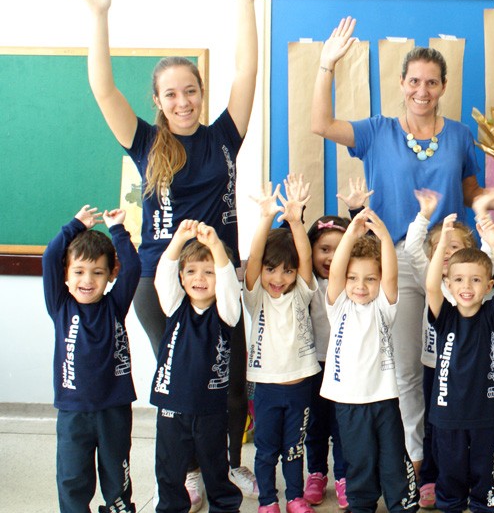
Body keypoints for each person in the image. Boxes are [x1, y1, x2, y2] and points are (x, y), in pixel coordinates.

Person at [70, 0, 273, 504]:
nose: (183, 102)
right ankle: (189, 471)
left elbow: (247, 73)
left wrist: (245, 3)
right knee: (182, 382)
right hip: (161, 281)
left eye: (191, 91)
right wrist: (99, 15)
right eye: (171, 94)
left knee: (230, 381)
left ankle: (226, 467)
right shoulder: (146, 143)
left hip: (219, 276)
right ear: (158, 101)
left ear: (201, 94)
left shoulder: (223, 137)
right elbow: (103, 89)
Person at [312, 19, 494, 477]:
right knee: (405, 368)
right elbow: (320, 124)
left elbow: (472, 191)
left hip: (453, 263)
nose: (422, 90)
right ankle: (415, 460)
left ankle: (448, 458)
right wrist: (326, 65)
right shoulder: (376, 130)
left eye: (431, 82)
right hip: (394, 261)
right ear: (401, 84)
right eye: (414, 81)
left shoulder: (458, 135)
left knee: (454, 363)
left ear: (443, 87)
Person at [405, 189, 494, 509]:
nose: (445, 253)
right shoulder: (432, 277)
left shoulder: (470, 280)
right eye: (440, 248)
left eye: (454, 247)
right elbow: (413, 249)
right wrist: (425, 217)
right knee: (436, 427)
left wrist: (482, 213)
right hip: (434, 366)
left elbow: (488, 251)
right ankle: (432, 478)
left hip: (470, 373)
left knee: (468, 430)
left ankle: (471, 480)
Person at [43, 205, 141, 513]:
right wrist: (74, 225)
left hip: (114, 408)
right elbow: (49, 258)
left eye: (98, 272)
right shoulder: (60, 306)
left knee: (116, 476)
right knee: (72, 476)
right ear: (66, 274)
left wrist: (118, 230)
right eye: (79, 272)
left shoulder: (115, 304)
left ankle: (119, 508)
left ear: (111, 274)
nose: (87, 280)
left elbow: (133, 267)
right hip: (73, 410)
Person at [320, 208, 418, 513]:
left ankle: (402, 504)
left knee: (392, 459)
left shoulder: (383, 307)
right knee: (359, 459)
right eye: (353, 278)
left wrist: (385, 236)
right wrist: (350, 233)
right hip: (349, 402)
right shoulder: (339, 306)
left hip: (383, 399)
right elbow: (335, 272)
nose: (360, 286)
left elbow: (391, 274)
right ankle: (361, 504)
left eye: (370, 279)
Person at [424, 213, 494, 513]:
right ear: (449, 284)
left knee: (487, 472)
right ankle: (451, 504)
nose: (467, 286)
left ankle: (484, 505)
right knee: (450, 471)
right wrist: (442, 245)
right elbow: (431, 286)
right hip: (447, 413)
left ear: (488, 285)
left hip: (487, 414)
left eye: (476, 280)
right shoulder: (445, 316)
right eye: (459, 280)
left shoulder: (492, 315)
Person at [150, 220, 243, 513]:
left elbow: (229, 283)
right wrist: (178, 239)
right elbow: (163, 276)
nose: (199, 278)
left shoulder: (226, 312)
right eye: (191, 271)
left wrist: (216, 245)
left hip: (210, 410)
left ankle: (225, 507)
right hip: (171, 408)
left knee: (216, 470)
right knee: (169, 471)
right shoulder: (175, 306)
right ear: (181, 277)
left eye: (209, 272)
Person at [242, 175, 321, 513]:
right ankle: (268, 500)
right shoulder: (256, 296)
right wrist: (265, 218)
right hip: (266, 388)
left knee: (294, 449)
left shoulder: (301, 292)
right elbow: (254, 258)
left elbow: (305, 258)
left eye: (287, 271)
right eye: (271, 269)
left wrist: (295, 221)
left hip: (300, 386)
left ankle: (294, 497)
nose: (278, 278)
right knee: (265, 451)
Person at [302, 178, 368, 509]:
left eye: (338, 249)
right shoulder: (307, 282)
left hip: (346, 366)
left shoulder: (353, 284)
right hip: (313, 364)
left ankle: (343, 475)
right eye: (323, 249)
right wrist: (296, 216)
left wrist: (357, 212)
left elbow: (366, 242)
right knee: (315, 424)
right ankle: (316, 473)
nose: (331, 257)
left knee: (344, 426)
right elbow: (293, 247)